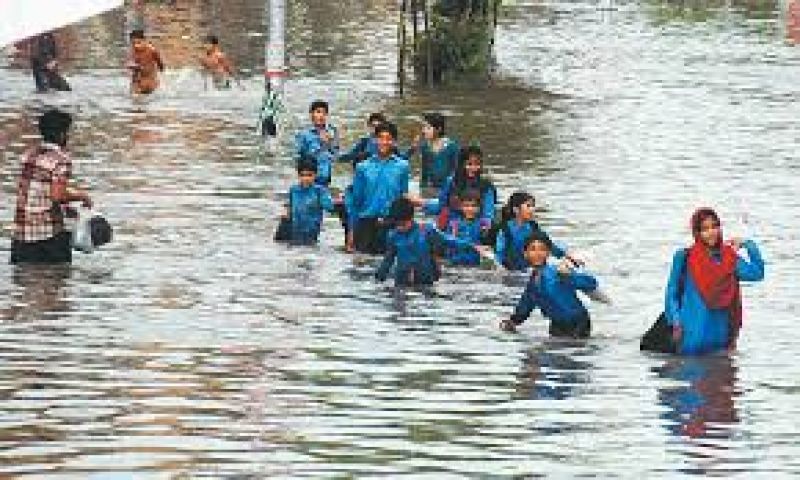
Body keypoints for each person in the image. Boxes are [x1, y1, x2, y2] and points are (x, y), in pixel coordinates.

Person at [664, 208, 765, 355]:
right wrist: (676, 322)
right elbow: (671, 294)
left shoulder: (729, 258)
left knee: (722, 374)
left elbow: (757, 274)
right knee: (691, 373)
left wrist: (748, 244)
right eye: (705, 229)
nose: (711, 232)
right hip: (691, 335)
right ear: (696, 232)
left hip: (720, 338)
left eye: (715, 226)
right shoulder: (684, 257)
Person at [11, 109, 92, 264]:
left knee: (24, 281)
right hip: (47, 237)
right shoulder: (60, 159)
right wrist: (82, 196)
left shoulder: (29, 155)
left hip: (21, 235)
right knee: (56, 282)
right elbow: (57, 195)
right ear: (62, 134)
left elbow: (40, 189)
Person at [499, 230, 599, 337]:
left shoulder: (558, 272)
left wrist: (569, 276)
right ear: (525, 254)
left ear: (548, 253)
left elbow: (591, 283)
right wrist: (513, 321)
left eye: (542, 249)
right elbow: (526, 305)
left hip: (578, 323)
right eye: (532, 249)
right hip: (556, 324)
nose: (538, 253)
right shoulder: (532, 283)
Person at [375, 198, 486, 286]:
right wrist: (378, 280)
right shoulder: (393, 236)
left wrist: (472, 246)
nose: (400, 228)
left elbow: (449, 240)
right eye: (397, 225)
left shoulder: (426, 231)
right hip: (402, 282)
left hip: (426, 282)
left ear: (411, 218)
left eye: (403, 224)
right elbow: (387, 261)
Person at [349, 122, 410, 254]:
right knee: (362, 267)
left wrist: (408, 228)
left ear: (394, 142)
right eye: (381, 138)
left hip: (392, 224)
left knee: (388, 267)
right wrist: (352, 232)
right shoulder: (362, 167)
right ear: (375, 140)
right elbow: (356, 202)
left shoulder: (403, 167)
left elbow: (403, 199)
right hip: (366, 223)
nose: (384, 142)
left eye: (388, 138)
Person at [414, 144, 496, 230]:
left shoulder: (486, 186)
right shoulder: (451, 182)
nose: (473, 168)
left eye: (477, 164)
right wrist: (422, 204)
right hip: (451, 225)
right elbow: (441, 205)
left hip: (476, 227)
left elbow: (488, 213)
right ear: (462, 164)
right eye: (469, 164)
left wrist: (485, 225)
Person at [493, 191, 575, 271]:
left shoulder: (533, 226)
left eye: (533, 206)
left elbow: (549, 245)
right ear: (516, 210)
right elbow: (499, 254)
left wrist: (567, 256)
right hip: (512, 270)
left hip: (531, 268)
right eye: (528, 206)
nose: (532, 209)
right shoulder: (506, 230)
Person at [275, 161, 336, 245]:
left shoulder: (320, 191)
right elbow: (289, 206)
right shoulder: (294, 189)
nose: (306, 178)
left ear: (315, 175)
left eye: (309, 175)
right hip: (294, 229)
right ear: (298, 175)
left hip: (311, 231)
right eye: (302, 175)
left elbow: (330, 207)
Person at [406, 113, 460, 189]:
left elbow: (457, 171)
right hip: (432, 188)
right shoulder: (425, 147)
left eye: (428, 128)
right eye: (424, 127)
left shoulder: (452, 147)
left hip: (449, 188)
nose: (424, 131)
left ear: (439, 129)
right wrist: (423, 189)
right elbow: (424, 172)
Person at [295, 100, 339, 187]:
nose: (321, 116)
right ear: (311, 114)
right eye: (318, 112)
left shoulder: (332, 131)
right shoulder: (304, 134)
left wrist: (329, 143)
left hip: (326, 178)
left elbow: (336, 154)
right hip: (310, 179)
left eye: (324, 113)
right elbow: (298, 157)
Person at [441, 189, 485, 266]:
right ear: (460, 207)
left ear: (479, 208)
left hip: (475, 262)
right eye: (466, 205)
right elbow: (448, 241)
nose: (470, 209)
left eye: (473, 206)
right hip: (456, 261)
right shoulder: (454, 224)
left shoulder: (483, 224)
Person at [127, 29, 165, 95]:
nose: (136, 46)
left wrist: (161, 71)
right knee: (134, 95)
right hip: (138, 81)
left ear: (144, 41)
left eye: (139, 43)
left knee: (150, 90)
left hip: (150, 79)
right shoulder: (133, 51)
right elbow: (130, 62)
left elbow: (160, 63)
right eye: (133, 43)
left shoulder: (152, 50)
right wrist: (132, 66)